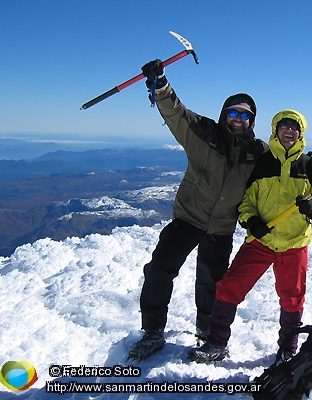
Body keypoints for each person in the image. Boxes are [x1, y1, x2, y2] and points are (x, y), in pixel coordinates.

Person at [128, 59, 268, 361]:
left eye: (245, 115)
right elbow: (176, 114)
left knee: (212, 283)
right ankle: (152, 332)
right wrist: (161, 83)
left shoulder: (258, 152)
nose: (238, 119)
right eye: (233, 112)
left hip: (220, 228)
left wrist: (309, 166)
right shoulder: (204, 133)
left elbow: (285, 164)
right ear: (224, 114)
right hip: (188, 219)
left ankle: (208, 333)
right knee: (158, 272)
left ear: (252, 120)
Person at [187, 109, 312, 363]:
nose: (288, 131)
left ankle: (287, 350)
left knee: (292, 298)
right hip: (261, 241)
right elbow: (246, 202)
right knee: (229, 287)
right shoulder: (263, 162)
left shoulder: (308, 167)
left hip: (293, 244)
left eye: (294, 127)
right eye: (283, 126)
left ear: (301, 132)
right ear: (275, 130)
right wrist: (251, 222)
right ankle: (216, 343)